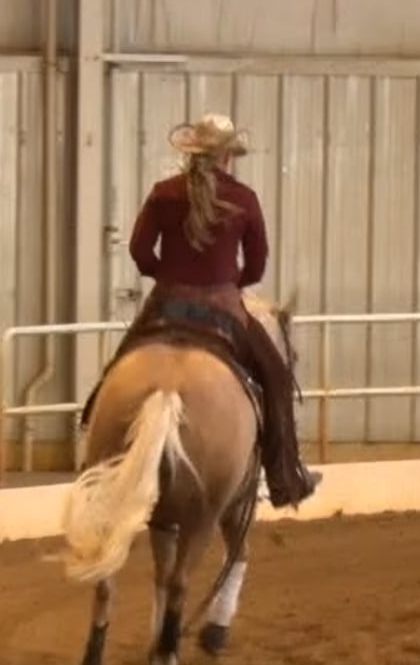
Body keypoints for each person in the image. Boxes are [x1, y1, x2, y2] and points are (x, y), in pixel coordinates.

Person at [85, 112, 322, 510]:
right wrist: (228, 282)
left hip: (166, 304)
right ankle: (285, 478)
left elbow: (140, 251)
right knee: (277, 378)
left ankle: (90, 435)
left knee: (117, 369)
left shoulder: (163, 193)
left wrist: (166, 274)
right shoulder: (244, 199)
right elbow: (257, 264)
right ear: (228, 157)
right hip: (222, 307)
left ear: (192, 152)